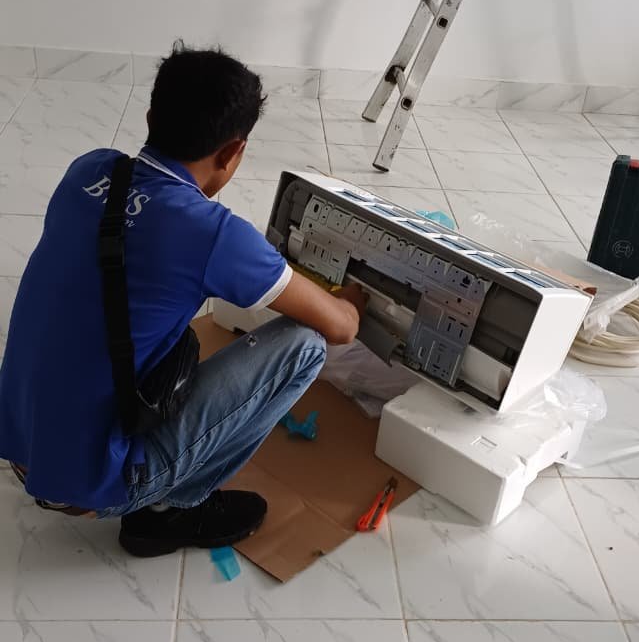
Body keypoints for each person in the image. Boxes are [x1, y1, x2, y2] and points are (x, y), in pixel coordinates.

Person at [0, 43, 366, 557]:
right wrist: (353, 297)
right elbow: (341, 327)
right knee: (305, 345)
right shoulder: (213, 234)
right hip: (93, 482)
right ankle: (167, 512)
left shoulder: (90, 169)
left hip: (21, 446)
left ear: (150, 118)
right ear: (233, 152)